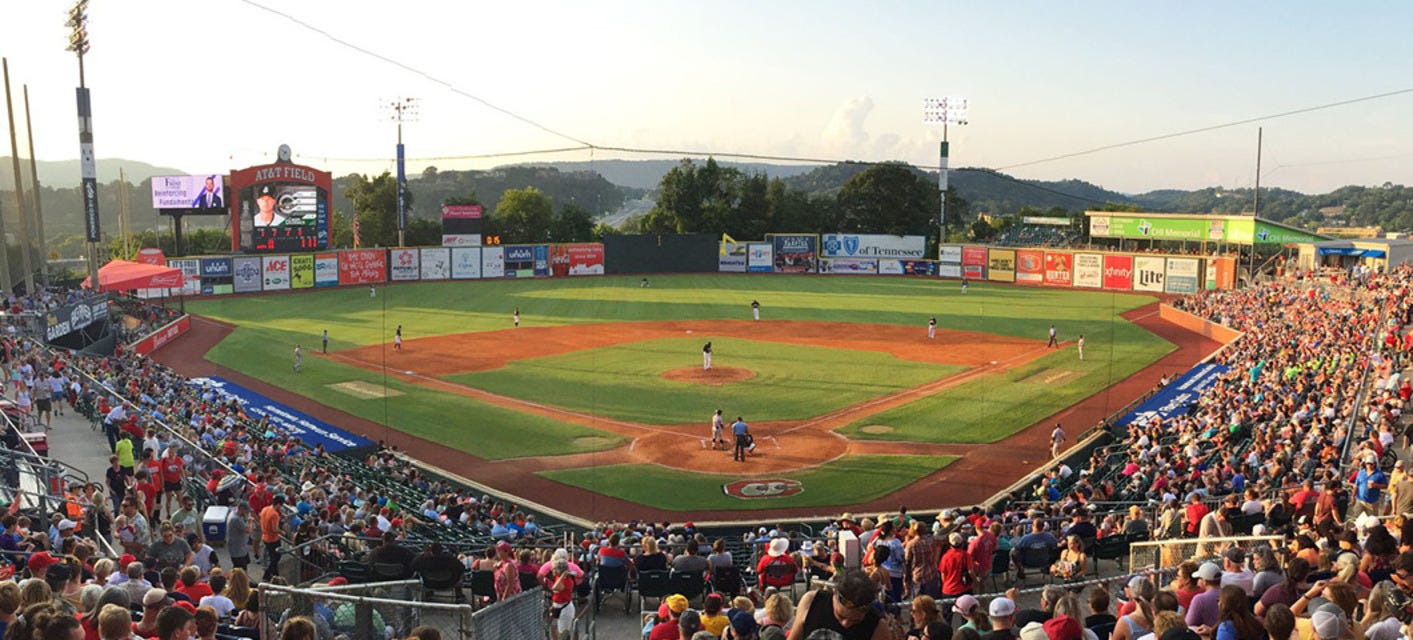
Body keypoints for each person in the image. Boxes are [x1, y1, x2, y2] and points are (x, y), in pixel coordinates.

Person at [786, 568, 888, 640]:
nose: (845, 624)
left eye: (856, 621)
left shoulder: (877, 628)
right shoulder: (812, 601)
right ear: (834, 594)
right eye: (840, 615)